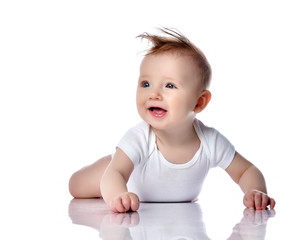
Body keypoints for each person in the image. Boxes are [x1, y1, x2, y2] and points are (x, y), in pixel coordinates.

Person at [69, 28, 276, 213]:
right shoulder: (140, 138)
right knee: (77, 185)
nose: (154, 94)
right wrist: (118, 196)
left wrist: (255, 190)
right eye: (146, 83)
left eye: (169, 86)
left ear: (199, 102)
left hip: (131, 175)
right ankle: (107, 162)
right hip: (121, 174)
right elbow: (116, 173)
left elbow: (245, 170)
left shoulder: (210, 141)